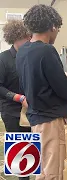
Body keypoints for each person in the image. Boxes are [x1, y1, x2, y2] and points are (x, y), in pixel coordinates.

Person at [16, 5, 67, 180]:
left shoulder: (23, 51)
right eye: (58, 29)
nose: (57, 33)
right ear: (53, 26)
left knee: (43, 168)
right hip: (50, 121)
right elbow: (66, 91)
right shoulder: (46, 50)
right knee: (52, 172)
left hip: (36, 118)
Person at [0, 20, 31, 180]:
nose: (29, 40)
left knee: (29, 153)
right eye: (26, 37)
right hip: (11, 111)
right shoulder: (3, 59)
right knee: (18, 153)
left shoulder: (29, 57)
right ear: (16, 37)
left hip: (30, 111)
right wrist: (18, 97)